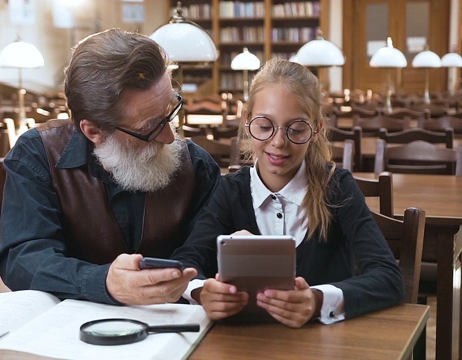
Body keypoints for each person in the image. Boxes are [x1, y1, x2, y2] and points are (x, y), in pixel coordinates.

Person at [171, 58, 403, 328]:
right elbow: (186, 263)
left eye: (296, 129)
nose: (279, 142)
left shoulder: (337, 187)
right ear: (247, 120)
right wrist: (202, 292)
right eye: (265, 126)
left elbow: (388, 277)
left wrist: (316, 300)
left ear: (316, 129)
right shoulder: (229, 190)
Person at [0, 28, 220, 306]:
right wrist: (103, 282)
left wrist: (191, 283)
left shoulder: (197, 166)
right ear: (93, 131)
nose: (169, 137)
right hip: (67, 331)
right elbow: (23, 258)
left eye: (170, 112)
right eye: (150, 127)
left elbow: (206, 249)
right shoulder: (37, 155)